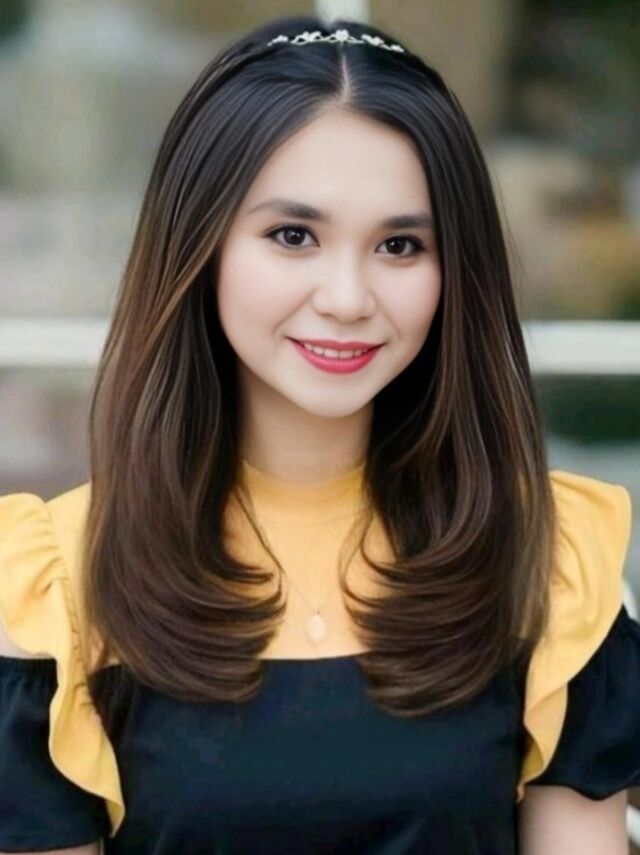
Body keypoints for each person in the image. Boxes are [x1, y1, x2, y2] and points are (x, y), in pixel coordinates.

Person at [0, 13, 638, 855]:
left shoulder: (547, 563)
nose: (346, 297)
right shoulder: (54, 585)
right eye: (293, 236)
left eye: (400, 245)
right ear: (200, 245)